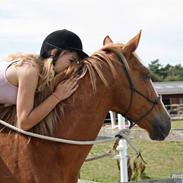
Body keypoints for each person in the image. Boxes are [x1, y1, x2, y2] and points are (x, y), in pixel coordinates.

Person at [0, 29, 88, 131]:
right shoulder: (30, 71)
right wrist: (57, 96)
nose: (72, 67)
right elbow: (24, 123)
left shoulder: (38, 73)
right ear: (54, 53)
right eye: (71, 60)